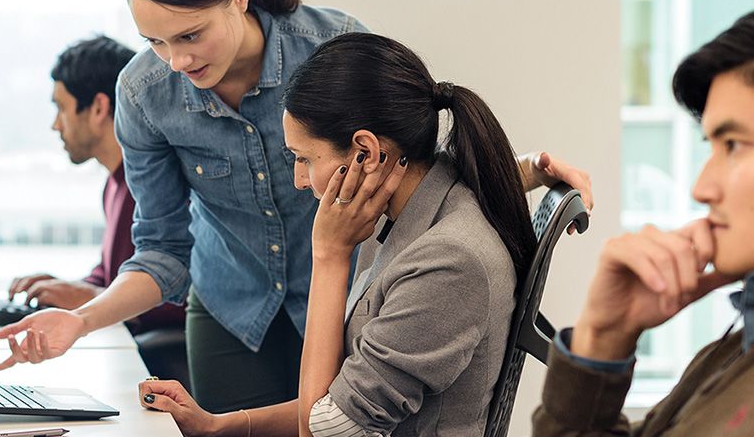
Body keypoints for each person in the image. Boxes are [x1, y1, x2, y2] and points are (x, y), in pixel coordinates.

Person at [0, 0, 592, 415]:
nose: (177, 61)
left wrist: (529, 172)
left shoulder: (330, 47)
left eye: (190, 34)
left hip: (351, 295)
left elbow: (411, 173)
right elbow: (163, 251)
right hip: (231, 310)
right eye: (156, 42)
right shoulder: (144, 95)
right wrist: (82, 319)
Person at [132, 32, 537, 436]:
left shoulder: (448, 260)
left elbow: (323, 430)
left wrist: (328, 255)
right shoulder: (410, 210)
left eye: (305, 159)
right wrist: (217, 427)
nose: (299, 180)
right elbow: (340, 402)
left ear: (366, 152)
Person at [532, 12, 754, 435]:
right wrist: (603, 338)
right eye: (711, 146)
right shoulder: (728, 354)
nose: (702, 188)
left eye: (733, 144)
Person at [7, 36, 187, 383]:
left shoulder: (153, 189)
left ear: (99, 107)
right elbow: (110, 275)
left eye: (61, 107)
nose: (56, 124)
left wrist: (93, 299)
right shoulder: (114, 184)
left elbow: (185, 297)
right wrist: (66, 287)